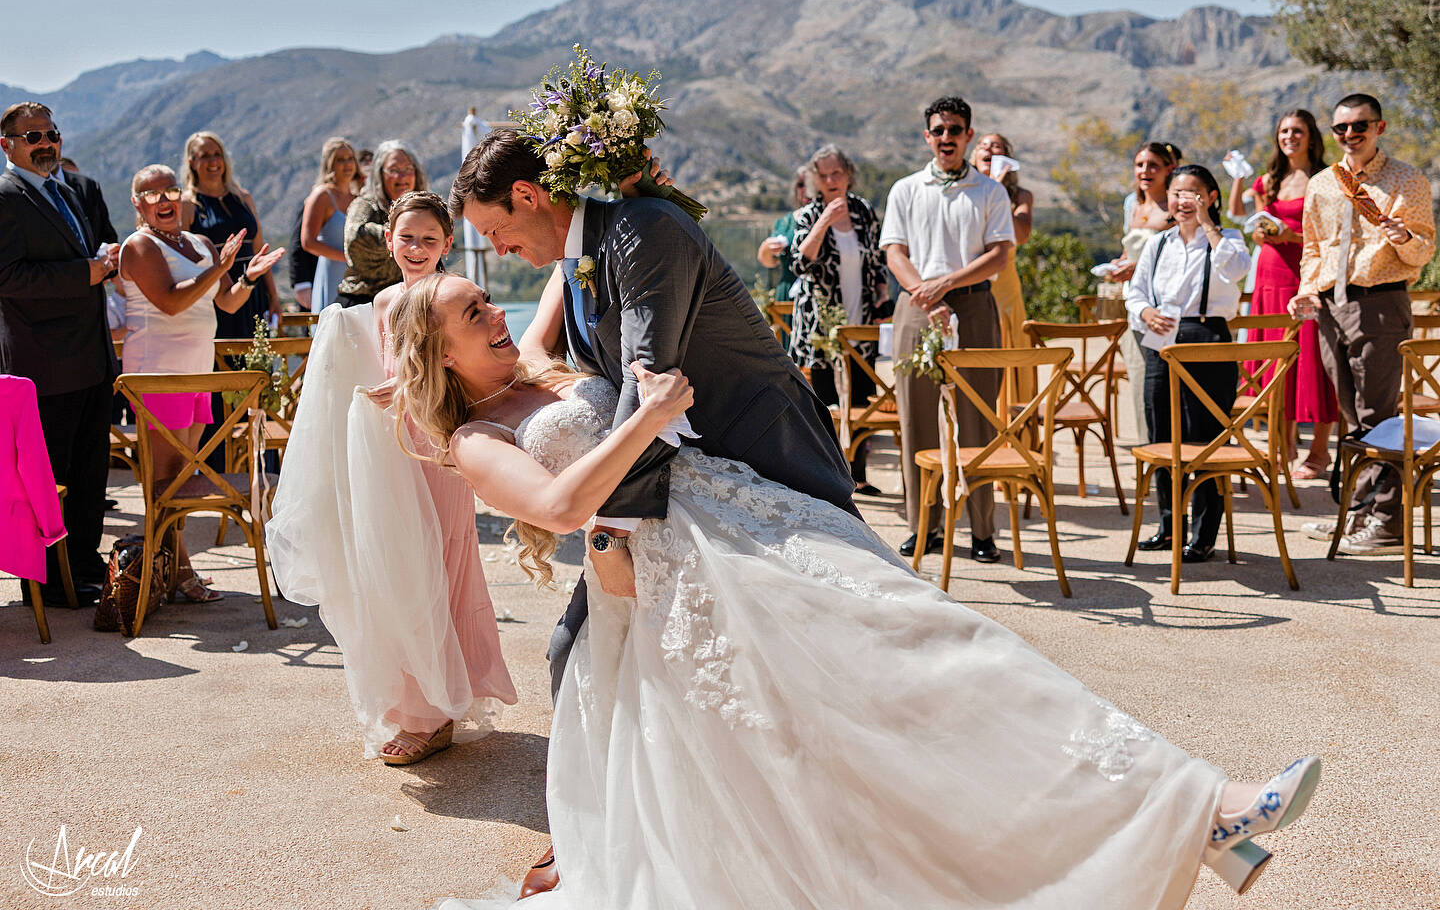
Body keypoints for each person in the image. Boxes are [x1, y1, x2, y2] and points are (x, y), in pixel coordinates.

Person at [389, 273, 1321, 909]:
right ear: (439, 346)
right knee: (858, 712)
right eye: (473, 313)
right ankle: (1196, 813)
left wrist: (614, 182)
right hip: (684, 583)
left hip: (741, 522)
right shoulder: (474, 441)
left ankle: (1191, 806)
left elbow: (568, 260)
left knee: (931, 644)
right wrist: (656, 418)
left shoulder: (545, 364)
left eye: (488, 300)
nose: (496, 315)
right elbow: (558, 505)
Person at [451, 128, 858, 896]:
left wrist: (611, 541)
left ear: (532, 197)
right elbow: (566, 362)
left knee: (817, 642)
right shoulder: (575, 259)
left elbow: (649, 387)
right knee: (577, 654)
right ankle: (599, 824)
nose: (498, 248)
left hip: (763, 459)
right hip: (676, 487)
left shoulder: (643, 231)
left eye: (497, 230)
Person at [266, 190, 516, 763]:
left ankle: (435, 711)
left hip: (437, 443)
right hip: (395, 447)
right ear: (388, 240)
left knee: (442, 562)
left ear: (448, 245)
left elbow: (462, 369)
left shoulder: (452, 297)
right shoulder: (381, 301)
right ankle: (419, 702)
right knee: (399, 568)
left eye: (430, 240)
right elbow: (388, 364)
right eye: (408, 238)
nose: (418, 248)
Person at [119, 164, 286, 599]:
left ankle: (175, 570)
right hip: (158, 375)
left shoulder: (200, 243)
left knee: (184, 478)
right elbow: (173, 303)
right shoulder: (139, 245)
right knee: (165, 482)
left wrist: (247, 276)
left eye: (171, 191)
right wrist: (221, 267)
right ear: (137, 204)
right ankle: (178, 572)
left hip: (197, 373)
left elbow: (227, 301)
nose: (165, 201)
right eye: (152, 195)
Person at [1290, 93, 1436, 555]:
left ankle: (1388, 522)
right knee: (1352, 416)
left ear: (1380, 128)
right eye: (1341, 129)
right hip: (1331, 307)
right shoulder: (1323, 184)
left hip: (1380, 302)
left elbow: (1424, 251)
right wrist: (1307, 289)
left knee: (1379, 416)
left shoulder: (1405, 180)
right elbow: (1314, 246)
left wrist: (1404, 237)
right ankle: (1357, 513)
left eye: (1360, 126)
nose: (1350, 135)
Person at [882, 95, 1012, 564]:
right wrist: (925, 293)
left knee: (976, 417)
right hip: (916, 308)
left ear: (968, 136)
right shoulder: (906, 189)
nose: (946, 138)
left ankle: (981, 531)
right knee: (916, 418)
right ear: (927, 137)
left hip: (974, 306)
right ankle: (924, 527)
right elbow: (895, 252)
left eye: (955, 130)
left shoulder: (990, 192)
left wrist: (947, 285)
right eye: (938, 130)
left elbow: (999, 254)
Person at [0, 102, 119, 605]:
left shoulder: (67, 190)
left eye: (52, 133)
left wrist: (107, 261)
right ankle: (47, 582)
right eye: (33, 136)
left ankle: (84, 566)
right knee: (49, 480)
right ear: (6, 144)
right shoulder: (5, 198)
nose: (46, 142)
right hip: (43, 363)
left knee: (92, 472)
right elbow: (8, 278)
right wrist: (85, 274)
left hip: (91, 357)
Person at [1126, 165, 1251, 560]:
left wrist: (1209, 225)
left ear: (1211, 197)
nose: (1182, 200)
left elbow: (1236, 270)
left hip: (1207, 338)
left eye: (1192, 193)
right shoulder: (1159, 243)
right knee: (1161, 433)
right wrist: (1146, 312)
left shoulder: (1228, 239)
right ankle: (1168, 525)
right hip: (1161, 339)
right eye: (1177, 192)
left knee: (1205, 437)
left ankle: (1204, 534)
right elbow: (1135, 292)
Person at [1227, 111, 1336, 479]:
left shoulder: (1326, 179)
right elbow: (1256, 223)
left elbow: (1333, 237)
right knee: (1275, 365)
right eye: (1284, 131)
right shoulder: (1267, 180)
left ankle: (1320, 453)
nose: (1290, 136)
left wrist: (1293, 238)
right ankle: (1282, 447)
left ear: (1311, 137)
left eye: (1297, 131)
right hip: (1270, 277)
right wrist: (1261, 234)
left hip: (1307, 276)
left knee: (1314, 364)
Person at [789, 144, 891, 494]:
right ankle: (828, 479)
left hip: (860, 323)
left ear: (849, 175)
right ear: (816, 179)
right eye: (824, 175)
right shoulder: (809, 214)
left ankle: (858, 475)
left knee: (863, 402)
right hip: (820, 327)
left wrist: (882, 299)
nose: (831, 180)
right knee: (824, 406)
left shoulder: (864, 211)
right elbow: (800, 263)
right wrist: (824, 221)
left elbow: (877, 262)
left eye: (837, 173)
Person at [1112, 142, 1181, 444]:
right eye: (1140, 164)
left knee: (1169, 383)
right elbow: (1131, 249)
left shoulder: (1176, 206)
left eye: (1153, 165)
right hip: (1135, 303)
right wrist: (1120, 265)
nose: (1145, 171)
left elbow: (1178, 253)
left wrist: (1137, 267)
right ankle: (1148, 449)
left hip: (1167, 305)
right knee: (1140, 381)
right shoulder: (1133, 205)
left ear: (1169, 169)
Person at [182, 131, 280, 339]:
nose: (213, 161)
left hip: (253, 289)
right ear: (192, 162)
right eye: (205, 155)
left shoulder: (243, 197)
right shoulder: (187, 204)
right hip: (216, 294)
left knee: (258, 361)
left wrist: (273, 296)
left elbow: (258, 249)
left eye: (217, 154)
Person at [971, 132, 1035, 410]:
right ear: (973, 156)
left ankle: (1014, 428)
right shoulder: (964, 192)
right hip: (971, 285)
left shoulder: (1021, 196)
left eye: (996, 147)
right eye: (983, 146)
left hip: (1005, 290)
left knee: (1009, 350)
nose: (989, 149)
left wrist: (997, 192)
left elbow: (1020, 235)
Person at [339, 140, 426, 307]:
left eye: (408, 169)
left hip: (408, 304)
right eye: (394, 170)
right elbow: (355, 235)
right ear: (380, 174)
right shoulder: (365, 203)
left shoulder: (424, 206)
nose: (403, 177)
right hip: (363, 304)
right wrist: (408, 234)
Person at [302, 138, 360, 312]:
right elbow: (307, 242)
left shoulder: (358, 199)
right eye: (340, 159)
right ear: (330, 164)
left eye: (350, 158)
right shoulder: (322, 196)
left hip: (356, 277)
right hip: (332, 274)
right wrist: (346, 257)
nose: (347, 164)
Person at [755, 165, 809, 297]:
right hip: (788, 292)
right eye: (801, 185)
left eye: (810, 184)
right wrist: (766, 248)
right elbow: (769, 261)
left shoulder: (831, 218)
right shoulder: (785, 222)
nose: (806, 189)